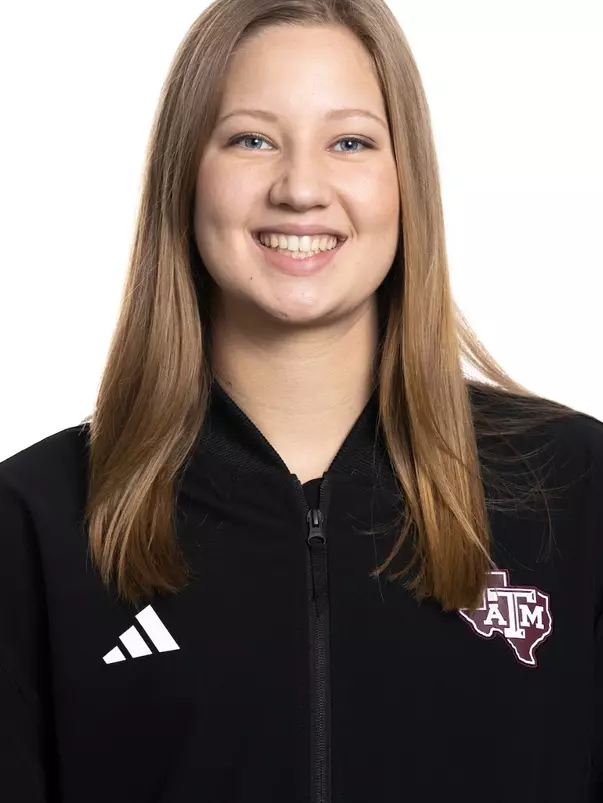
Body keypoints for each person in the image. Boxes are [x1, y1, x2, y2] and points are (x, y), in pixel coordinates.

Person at [1, 0, 601, 801]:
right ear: (185, 175)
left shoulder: (577, 488)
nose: (301, 188)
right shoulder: (32, 522)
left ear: (406, 181)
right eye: (251, 139)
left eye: (349, 142)